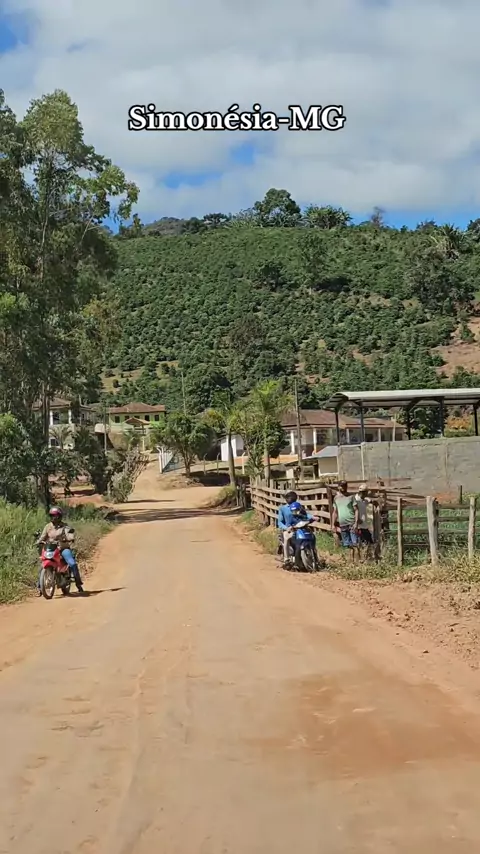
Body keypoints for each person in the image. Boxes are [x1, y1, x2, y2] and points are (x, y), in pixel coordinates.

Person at [36, 506, 85, 594]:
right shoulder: (48, 526)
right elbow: (42, 537)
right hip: (51, 548)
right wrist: (38, 542)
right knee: (42, 565)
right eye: (52, 515)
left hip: (63, 548)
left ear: (59, 516)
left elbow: (69, 534)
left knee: (72, 563)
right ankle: (39, 588)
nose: (53, 517)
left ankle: (78, 583)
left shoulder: (65, 526)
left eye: (55, 515)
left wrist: (70, 538)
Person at [277, 491, 317, 566]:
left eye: (291, 498)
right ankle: (286, 559)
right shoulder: (283, 509)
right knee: (286, 538)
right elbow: (279, 522)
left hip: (300, 527)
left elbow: (305, 515)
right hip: (289, 529)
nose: (289, 500)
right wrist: (286, 528)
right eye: (288, 498)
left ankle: (314, 552)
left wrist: (312, 517)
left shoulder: (299, 506)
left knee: (312, 536)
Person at [332, 481, 360, 561]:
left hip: (351, 523)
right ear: (338, 487)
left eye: (345, 486)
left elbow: (356, 510)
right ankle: (351, 562)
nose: (343, 487)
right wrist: (333, 524)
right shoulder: (336, 498)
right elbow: (335, 512)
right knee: (347, 544)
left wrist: (356, 522)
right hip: (343, 524)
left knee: (355, 543)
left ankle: (358, 562)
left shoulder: (351, 497)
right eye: (342, 486)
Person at [354, 483, 374, 559]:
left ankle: (366, 557)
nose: (367, 494)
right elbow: (352, 510)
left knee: (368, 542)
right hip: (359, 526)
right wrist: (357, 520)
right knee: (364, 543)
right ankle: (363, 558)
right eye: (366, 492)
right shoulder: (356, 500)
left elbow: (369, 501)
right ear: (363, 492)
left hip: (364, 525)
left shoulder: (364, 500)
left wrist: (371, 501)